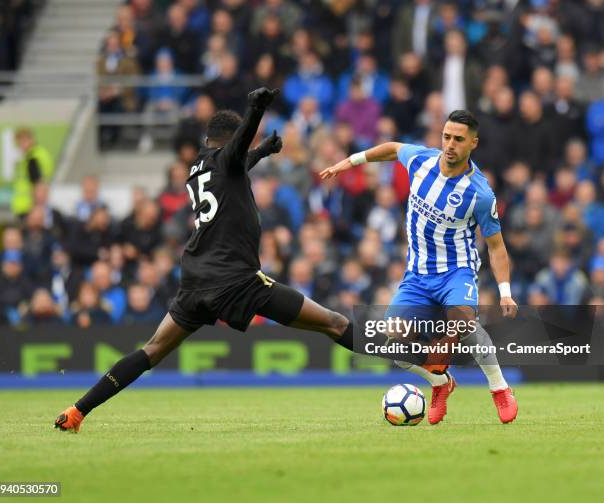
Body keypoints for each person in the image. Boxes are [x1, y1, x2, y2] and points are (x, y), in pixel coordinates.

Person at [54, 88, 377, 432]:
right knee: (334, 322)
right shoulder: (227, 159)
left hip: (196, 280)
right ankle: (417, 362)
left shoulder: (199, 167)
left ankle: (77, 411)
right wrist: (256, 109)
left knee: (152, 350)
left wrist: (263, 151)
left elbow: (238, 160)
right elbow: (237, 154)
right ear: (232, 140)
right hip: (236, 280)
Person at [321, 110, 519, 425]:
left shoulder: (480, 194)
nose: (450, 144)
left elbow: (496, 247)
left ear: (473, 144)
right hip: (417, 276)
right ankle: (440, 383)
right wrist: (353, 161)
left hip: (457, 271)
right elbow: (392, 148)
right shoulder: (422, 161)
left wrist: (505, 293)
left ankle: (499, 388)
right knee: (395, 345)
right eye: (446, 137)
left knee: (463, 324)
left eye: (458, 139)